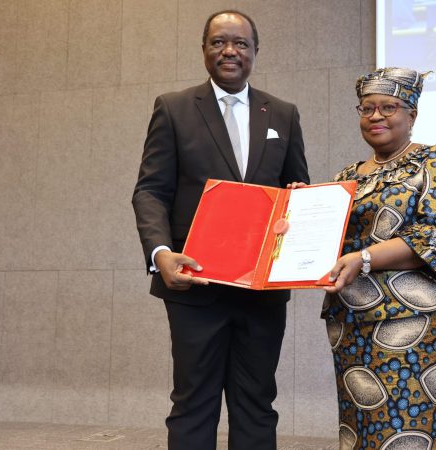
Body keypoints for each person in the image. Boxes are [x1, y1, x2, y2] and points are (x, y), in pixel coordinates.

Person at [131, 10, 309, 450]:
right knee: (194, 403)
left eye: (241, 43)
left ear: (254, 52)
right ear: (205, 49)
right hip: (194, 285)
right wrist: (160, 253)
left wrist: (304, 210)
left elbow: (296, 190)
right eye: (219, 42)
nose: (230, 51)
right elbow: (150, 191)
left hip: (262, 291)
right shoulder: (173, 108)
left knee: (257, 404)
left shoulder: (282, 114)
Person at [322, 67, 436, 450]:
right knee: (361, 427)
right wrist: (292, 214)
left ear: (412, 115)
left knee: (410, 425)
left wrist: (365, 258)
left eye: (388, 107)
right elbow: (326, 242)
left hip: (414, 321)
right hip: (351, 321)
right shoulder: (347, 176)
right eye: (367, 108)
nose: (375, 116)